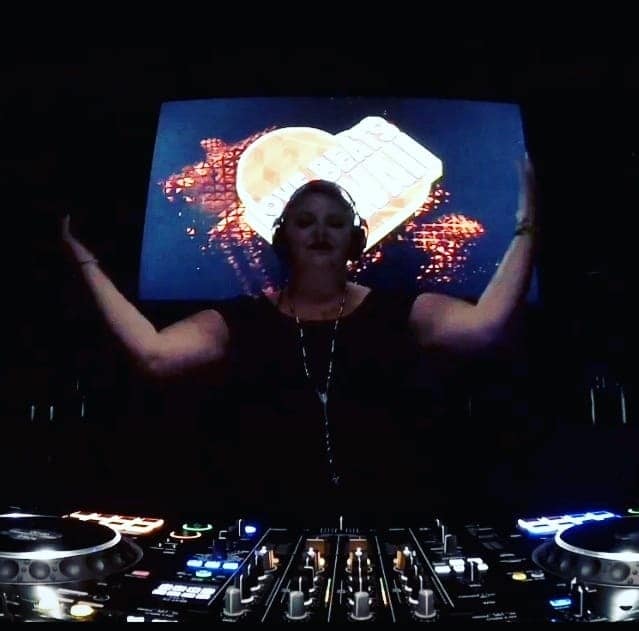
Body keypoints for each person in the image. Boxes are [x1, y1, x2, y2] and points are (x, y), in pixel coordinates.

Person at [61, 158, 537, 522]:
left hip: (390, 517)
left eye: (335, 222)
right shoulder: (241, 319)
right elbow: (154, 354)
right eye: (305, 221)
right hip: (271, 521)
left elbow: (484, 326)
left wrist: (527, 226)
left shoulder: (401, 310)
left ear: (355, 238)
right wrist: (85, 261)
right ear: (283, 236)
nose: (320, 231)